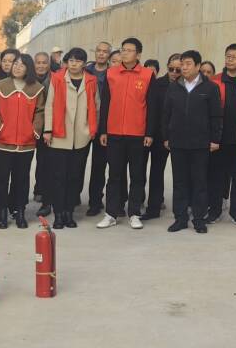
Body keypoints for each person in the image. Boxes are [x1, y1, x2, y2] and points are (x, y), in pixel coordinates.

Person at [96, 37, 155, 230]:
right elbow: (105, 103)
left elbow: (152, 106)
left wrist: (149, 133)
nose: (125, 53)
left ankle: (135, 213)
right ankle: (111, 213)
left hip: (138, 134)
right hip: (114, 133)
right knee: (114, 175)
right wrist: (103, 130)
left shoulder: (147, 75)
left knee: (137, 175)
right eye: (123, 50)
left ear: (138, 54)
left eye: (129, 50)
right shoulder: (111, 73)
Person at [161, 50, 221, 234]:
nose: (183, 68)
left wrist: (215, 139)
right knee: (179, 182)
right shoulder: (174, 86)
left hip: (200, 143)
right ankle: (180, 218)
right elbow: (166, 113)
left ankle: (199, 219)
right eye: (182, 64)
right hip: (177, 142)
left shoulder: (210, 88)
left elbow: (216, 116)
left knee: (199, 182)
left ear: (197, 66)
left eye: (188, 64)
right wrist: (166, 137)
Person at [0, 53, 46, 228]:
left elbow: (40, 112)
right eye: (15, 64)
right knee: (2, 179)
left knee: (22, 179)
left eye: (22, 64)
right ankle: (3, 212)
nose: (17, 67)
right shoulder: (0, 86)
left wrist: (34, 131)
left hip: (26, 143)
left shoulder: (37, 88)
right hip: (3, 142)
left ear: (29, 68)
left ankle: (20, 211)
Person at [42, 47, 97, 229]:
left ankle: (69, 213)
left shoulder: (91, 80)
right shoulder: (57, 78)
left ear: (84, 63)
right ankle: (58, 214)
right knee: (59, 177)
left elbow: (96, 106)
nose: (74, 64)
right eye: (71, 60)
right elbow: (49, 105)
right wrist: (48, 130)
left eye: (78, 61)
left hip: (81, 136)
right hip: (59, 135)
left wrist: (91, 129)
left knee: (74, 177)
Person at [209, 43, 236, 224]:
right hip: (219, 138)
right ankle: (215, 211)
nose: (230, 59)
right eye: (227, 56)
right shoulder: (215, 81)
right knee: (216, 176)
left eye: (234, 57)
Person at [143, 53, 181, 220]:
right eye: (171, 69)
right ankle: (153, 207)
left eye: (178, 70)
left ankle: (182, 210)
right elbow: (152, 111)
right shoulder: (157, 84)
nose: (174, 73)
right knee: (156, 173)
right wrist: (151, 134)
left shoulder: (188, 86)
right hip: (159, 137)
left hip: (180, 137)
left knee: (181, 175)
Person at [84, 41, 113, 216]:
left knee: (98, 166)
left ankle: (95, 202)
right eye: (99, 51)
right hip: (84, 124)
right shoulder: (85, 71)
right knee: (78, 164)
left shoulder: (113, 73)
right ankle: (73, 197)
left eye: (105, 51)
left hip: (104, 125)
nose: (101, 54)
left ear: (109, 55)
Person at [32, 51, 54, 215]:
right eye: (38, 62)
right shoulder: (27, 79)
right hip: (28, 126)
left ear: (49, 64)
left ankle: (44, 194)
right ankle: (37, 189)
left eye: (44, 62)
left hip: (47, 128)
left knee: (45, 162)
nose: (41, 66)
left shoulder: (55, 80)